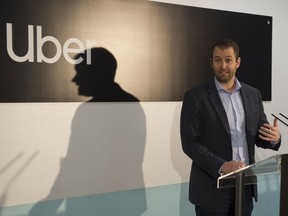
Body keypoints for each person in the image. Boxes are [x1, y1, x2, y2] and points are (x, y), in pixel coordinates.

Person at [180, 39, 281, 216]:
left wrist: (274, 138)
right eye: (218, 60)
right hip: (212, 189)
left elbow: (260, 134)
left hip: (245, 187)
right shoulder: (196, 97)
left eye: (228, 59)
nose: (223, 65)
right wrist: (222, 165)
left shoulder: (252, 94)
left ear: (238, 62)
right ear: (211, 63)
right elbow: (190, 143)